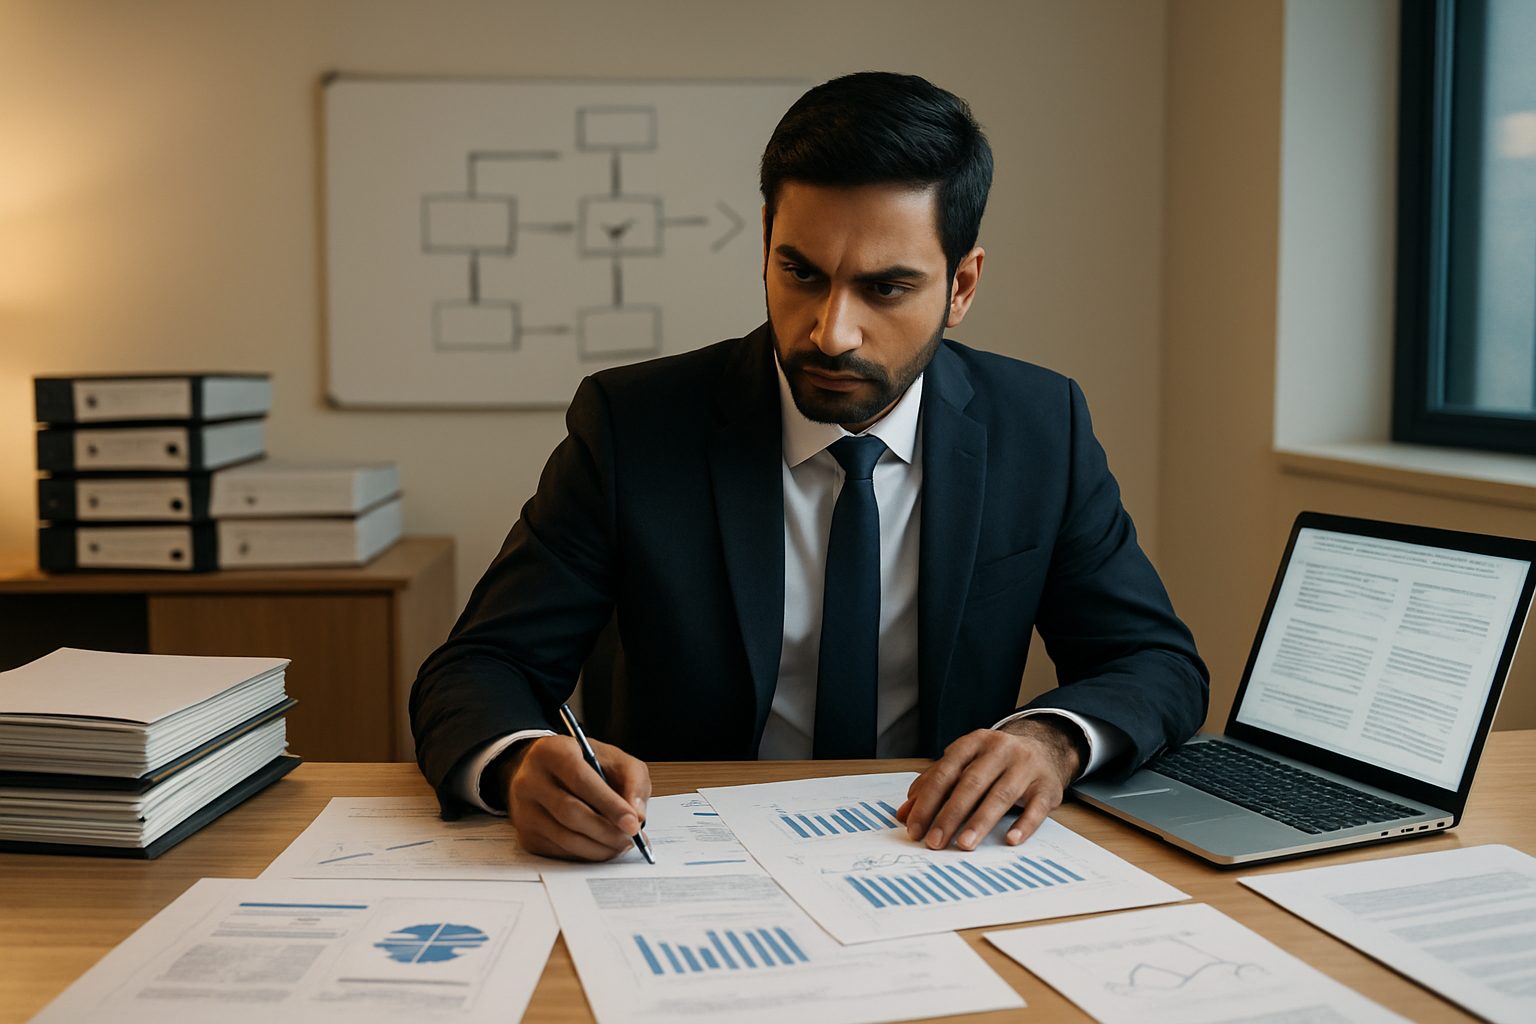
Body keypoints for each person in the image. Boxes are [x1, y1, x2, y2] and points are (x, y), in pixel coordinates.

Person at [411, 71, 1208, 862]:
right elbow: (484, 663)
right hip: (685, 858)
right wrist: (517, 762)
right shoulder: (635, 426)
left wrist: (1050, 741)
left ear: (961, 285)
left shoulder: (1040, 427)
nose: (832, 333)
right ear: (765, 244)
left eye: (886, 288)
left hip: (934, 857)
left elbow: (1154, 662)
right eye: (801, 274)